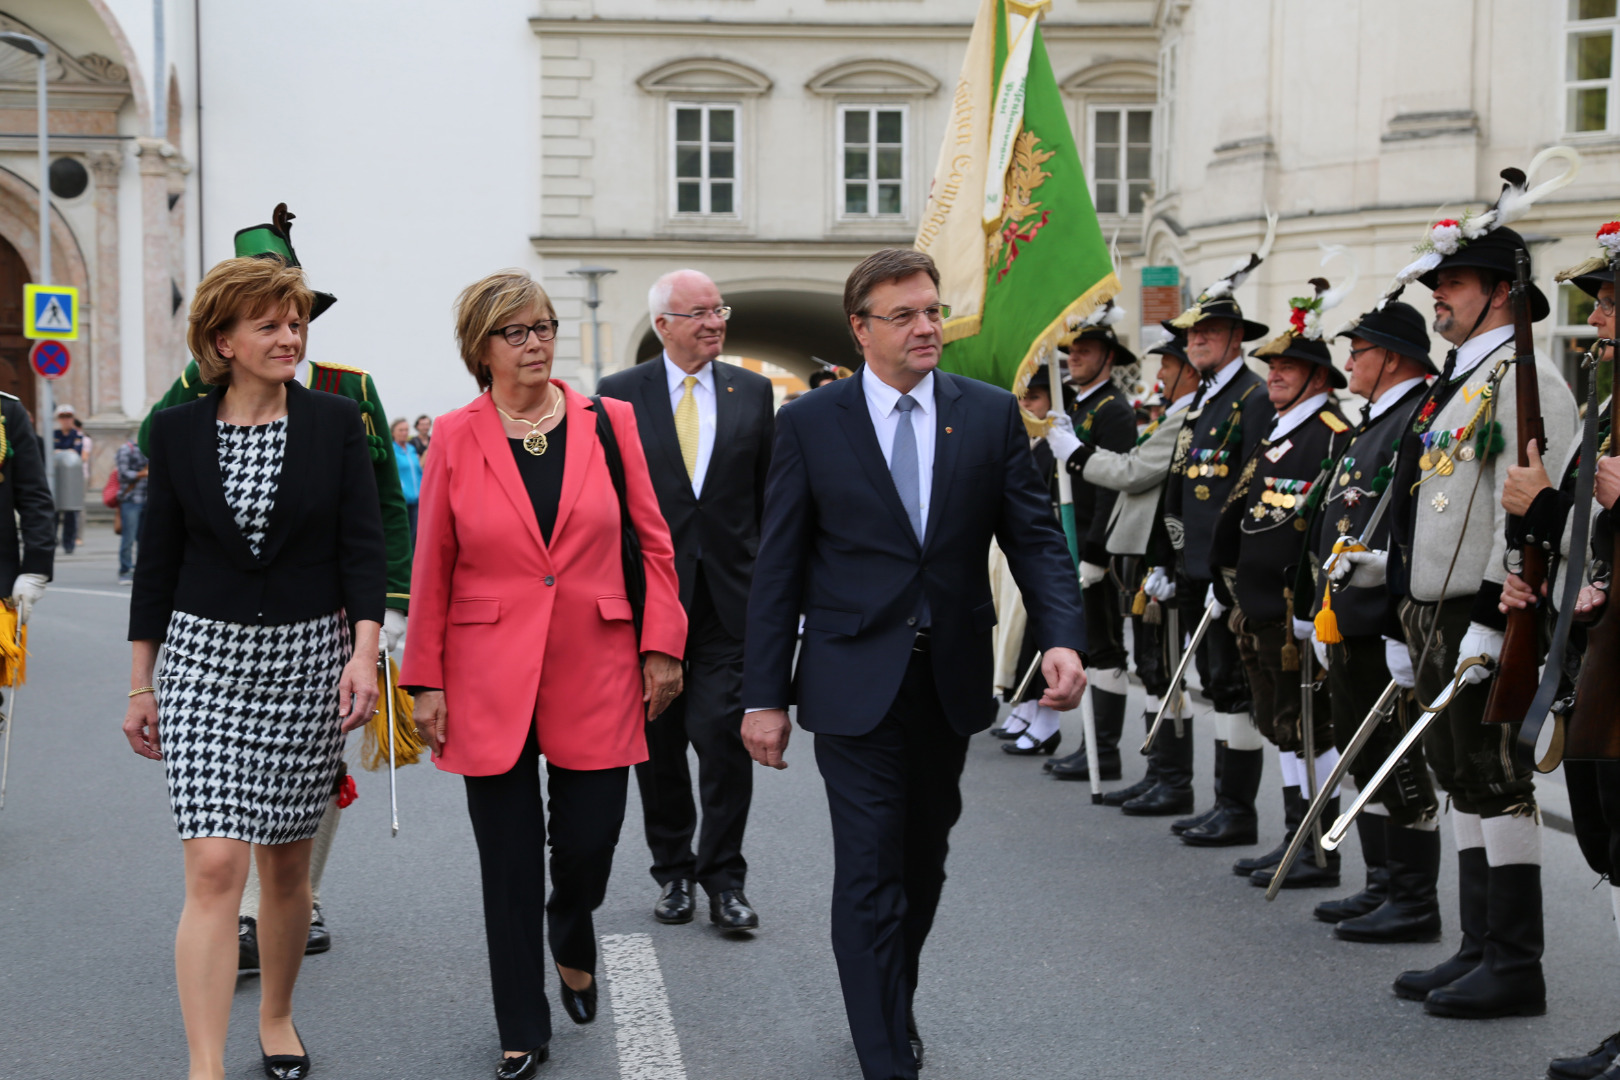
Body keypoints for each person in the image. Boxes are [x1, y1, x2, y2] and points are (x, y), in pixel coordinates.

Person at [741, 248, 1087, 1080]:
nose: (927, 326)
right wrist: (763, 696)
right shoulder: (809, 424)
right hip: (850, 680)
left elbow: (1034, 538)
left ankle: (892, 1001)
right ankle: (885, 1056)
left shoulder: (991, 413)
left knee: (920, 862)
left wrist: (1063, 636)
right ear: (861, 330)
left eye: (932, 309)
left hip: (949, 677)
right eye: (905, 314)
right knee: (868, 869)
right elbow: (777, 567)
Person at [402, 269, 686, 1080]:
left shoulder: (609, 423)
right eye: (516, 331)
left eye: (544, 327)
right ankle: (522, 1022)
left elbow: (654, 540)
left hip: (598, 659)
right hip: (485, 669)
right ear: (480, 349)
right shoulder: (457, 435)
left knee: (590, 840)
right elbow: (435, 564)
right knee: (509, 861)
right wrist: (425, 679)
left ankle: (573, 920)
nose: (536, 342)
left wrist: (662, 642)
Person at [122, 255, 387, 1080]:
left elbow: (361, 547)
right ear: (223, 340)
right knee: (213, 863)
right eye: (269, 324)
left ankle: (276, 1016)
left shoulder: (334, 424)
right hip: (203, 661)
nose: (290, 337)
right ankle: (205, 1064)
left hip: (306, 661)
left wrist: (365, 656)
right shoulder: (176, 431)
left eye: (296, 322)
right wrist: (142, 680)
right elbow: (156, 563)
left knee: (284, 865)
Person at [1336, 193, 1578, 1018]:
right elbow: (1429, 494)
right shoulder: (1462, 380)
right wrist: (1396, 581)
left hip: (1483, 610)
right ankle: (1477, 946)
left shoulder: (1526, 378)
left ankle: (1515, 962)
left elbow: (1526, 517)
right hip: (1432, 609)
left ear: (1501, 292)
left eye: (1455, 281)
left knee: (1498, 778)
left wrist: (1487, 614)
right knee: (1459, 777)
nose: (1437, 295)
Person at [598, 269, 775, 931]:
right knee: (660, 746)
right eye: (697, 313)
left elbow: (767, 503)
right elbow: (604, 506)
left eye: (718, 310)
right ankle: (672, 872)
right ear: (663, 325)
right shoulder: (617, 396)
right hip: (648, 607)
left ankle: (725, 880)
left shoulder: (753, 393)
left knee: (725, 742)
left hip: (732, 603)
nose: (714, 322)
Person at [1499, 223, 1620, 1079]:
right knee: (1611, 843)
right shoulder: (1612, 400)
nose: (1600, 313)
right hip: (1606, 644)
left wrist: (1545, 510)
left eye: (1612, 299)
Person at [1209, 280, 1353, 889]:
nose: (1275, 375)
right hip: (1259, 605)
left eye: (1290, 367)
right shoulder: (1279, 427)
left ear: (1320, 377)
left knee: (1309, 729)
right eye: (1272, 365)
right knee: (1283, 729)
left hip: (1296, 612)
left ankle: (1318, 847)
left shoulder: (1330, 433)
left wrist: (1318, 607)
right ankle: (1294, 833)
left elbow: (1326, 529)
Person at [1307, 301, 1441, 940]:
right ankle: (1383, 882)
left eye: (1358, 351)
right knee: (1362, 754)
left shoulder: (1420, 415)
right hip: (1346, 613)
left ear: (1391, 357)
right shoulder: (1376, 419)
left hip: (1381, 616)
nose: (1348, 363)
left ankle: (1415, 901)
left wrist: (1394, 624)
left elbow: (1408, 526)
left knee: (1398, 762)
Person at [1150, 225, 1277, 833]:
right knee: (1217, 682)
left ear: (1234, 339)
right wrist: (1168, 559)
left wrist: (1225, 576)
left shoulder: (1252, 397)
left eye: (1206, 332)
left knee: (1234, 687)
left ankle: (1237, 809)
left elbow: (1250, 494)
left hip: (1227, 575)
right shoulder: (1203, 400)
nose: (1195, 340)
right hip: (1194, 566)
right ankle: (1226, 804)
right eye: (1189, 333)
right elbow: (1179, 486)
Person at [1063, 333, 1200, 804]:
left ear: (1191, 370)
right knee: (1151, 667)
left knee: (1162, 669)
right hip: (1147, 557)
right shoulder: (1174, 414)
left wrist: (1075, 453)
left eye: (1168, 365)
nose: (1159, 374)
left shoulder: (1183, 414)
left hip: (1164, 557)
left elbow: (1132, 473)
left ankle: (1174, 781)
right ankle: (1161, 774)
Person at [1024, 304, 1139, 774]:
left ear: (1108, 358)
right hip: (1066, 541)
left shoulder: (1113, 411)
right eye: (1072, 350)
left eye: (1086, 351)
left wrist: (1095, 553)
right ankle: (1091, 746)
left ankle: (1104, 752)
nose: (1075, 358)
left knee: (1104, 646)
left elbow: (1111, 487)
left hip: (1095, 547)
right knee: (1087, 642)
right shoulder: (1075, 405)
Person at [114, 436, 150, 585]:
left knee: (145, 539)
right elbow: (122, 474)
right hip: (131, 500)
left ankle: (141, 570)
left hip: (148, 500)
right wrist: (142, 473)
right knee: (128, 538)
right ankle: (125, 570)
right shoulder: (126, 449)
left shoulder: (152, 449)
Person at [52, 404, 85, 555]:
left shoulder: (77, 436)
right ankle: (51, 541)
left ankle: (69, 543)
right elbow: (52, 452)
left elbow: (76, 453)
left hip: (72, 479)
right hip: (57, 478)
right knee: (53, 512)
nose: (66, 420)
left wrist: (60, 452)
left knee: (71, 512)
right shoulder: (54, 434)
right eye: (63, 417)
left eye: (68, 417)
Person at [391, 417, 422, 544]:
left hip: (417, 499)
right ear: (393, 432)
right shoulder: (392, 450)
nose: (404, 433)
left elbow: (419, 471)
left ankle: (414, 562)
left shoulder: (411, 449)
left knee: (415, 532)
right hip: (402, 500)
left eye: (406, 430)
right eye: (401, 430)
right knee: (403, 533)